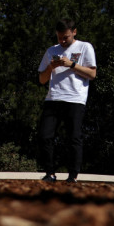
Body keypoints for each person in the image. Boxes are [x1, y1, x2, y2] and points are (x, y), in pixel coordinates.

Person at [37, 19, 97, 183]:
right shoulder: (51, 51)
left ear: (74, 32)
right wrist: (50, 67)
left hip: (75, 99)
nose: (62, 41)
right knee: (45, 136)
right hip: (53, 97)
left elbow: (92, 74)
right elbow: (42, 79)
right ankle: (50, 173)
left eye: (66, 37)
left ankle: (73, 175)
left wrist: (71, 64)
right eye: (59, 38)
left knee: (73, 137)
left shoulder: (85, 47)